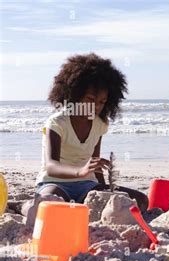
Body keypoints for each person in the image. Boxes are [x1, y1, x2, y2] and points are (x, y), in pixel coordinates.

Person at [23, 53, 148, 218]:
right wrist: (79, 171)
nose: (96, 107)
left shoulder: (100, 124)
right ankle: (19, 204)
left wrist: (106, 191)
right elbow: (51, 166)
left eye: (102, 102)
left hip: (87, 185)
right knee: (47, 207)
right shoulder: (57, 122)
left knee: (141, 200)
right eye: (90, 99)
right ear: (74, 95)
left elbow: (94, 165)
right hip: (54, 183)